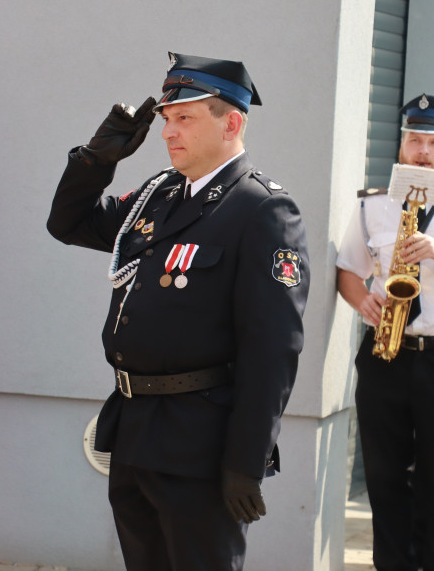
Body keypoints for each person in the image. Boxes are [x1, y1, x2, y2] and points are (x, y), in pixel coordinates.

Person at [47, 52, 310, 571]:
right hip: (135, 423)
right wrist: (98, 160)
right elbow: (68, 224)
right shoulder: (156, 196)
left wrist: (246, 461)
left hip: (201, 439)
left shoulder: (263, 210)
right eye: (166, 119)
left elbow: (273, 349)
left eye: (184, 118)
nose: (169, 132)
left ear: (231, 122)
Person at [336, 93, 434, 571]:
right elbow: (349, 270)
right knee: (384, 473)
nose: (423, 151)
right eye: (415, 139)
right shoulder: (374, 205)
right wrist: (363, 300)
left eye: (433, 142)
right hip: (386, 351)